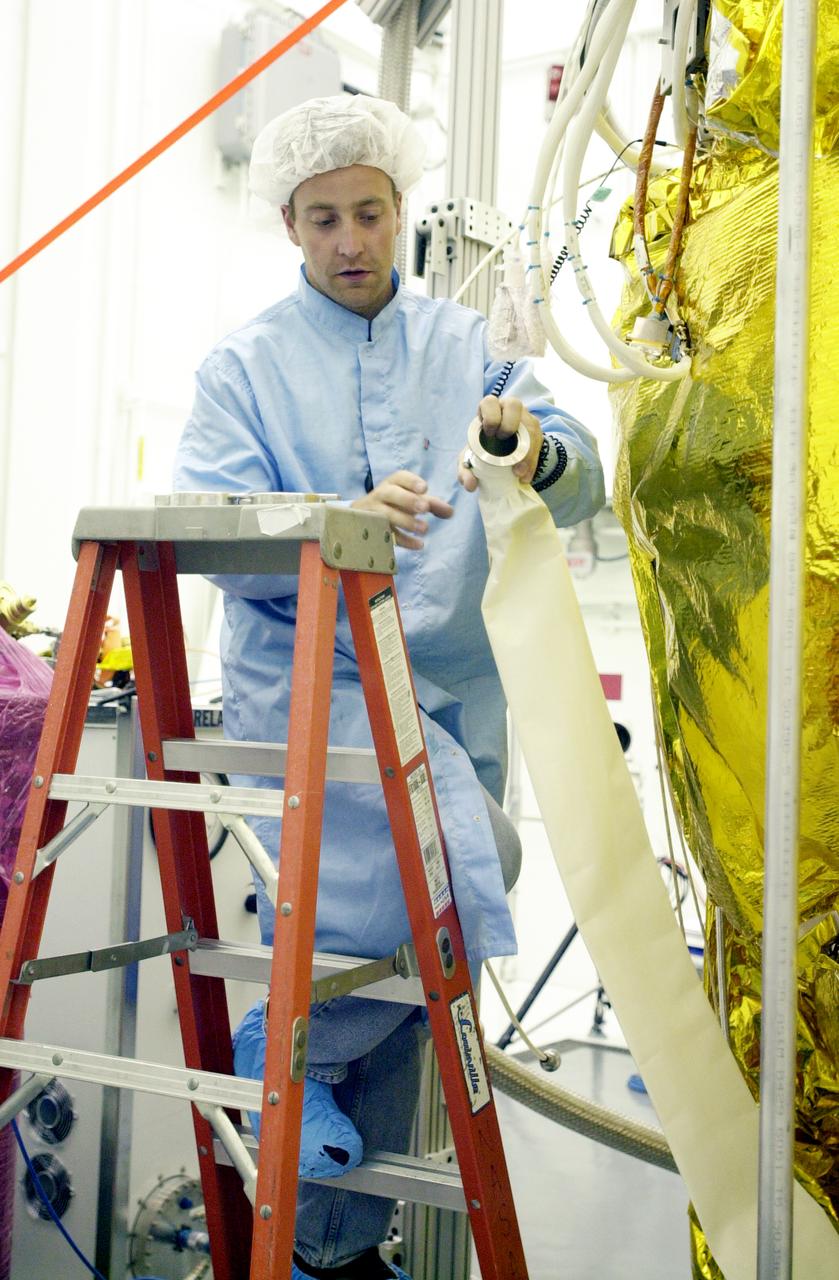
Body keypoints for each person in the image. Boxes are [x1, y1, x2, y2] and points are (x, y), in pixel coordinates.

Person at [174, 93, 604, 1280]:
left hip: (451, 701)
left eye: (368, 212)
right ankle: (307, 1131)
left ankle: (336, 1232)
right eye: (324, 219)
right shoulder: (241, 369)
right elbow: (200, 533)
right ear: (290, 225)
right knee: (436, 896)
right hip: (316, 693)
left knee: (428, 952)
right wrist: (331, 525)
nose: (350, 239)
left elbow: (576, 464)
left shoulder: (466, 346)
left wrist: (535, 439)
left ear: (400, 211)